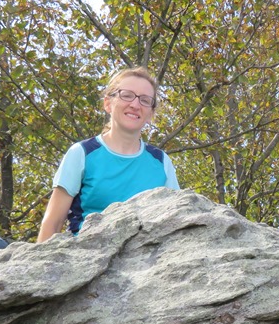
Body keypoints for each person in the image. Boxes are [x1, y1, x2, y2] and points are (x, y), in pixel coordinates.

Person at [37, 67, 180, 242]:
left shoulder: (161, 161)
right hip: (87, 259)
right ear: (107, 103)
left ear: (150, 113)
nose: (135, 105)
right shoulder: (82, 153)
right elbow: (52, 223)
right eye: (126, 95)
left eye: (144, 100)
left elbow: (175, 222)